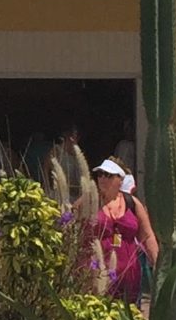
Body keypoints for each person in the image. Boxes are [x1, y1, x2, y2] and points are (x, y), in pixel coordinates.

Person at [86, 159, 159, 301]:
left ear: (119, 180)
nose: (102, 178)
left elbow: (147, 236)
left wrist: (158, 267)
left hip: (129, 276)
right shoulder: (90, 199)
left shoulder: (132, 202)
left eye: (108, 175)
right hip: (99, 276)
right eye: (100, 174)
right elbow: (70, 219)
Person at [43, 123, 92, 217]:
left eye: (77, 136)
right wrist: (48, 189)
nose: (74, 138)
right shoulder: (57, 150)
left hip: (76, 196)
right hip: (59, 195)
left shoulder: (79, 155)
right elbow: (46, 168)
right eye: (72, 135)